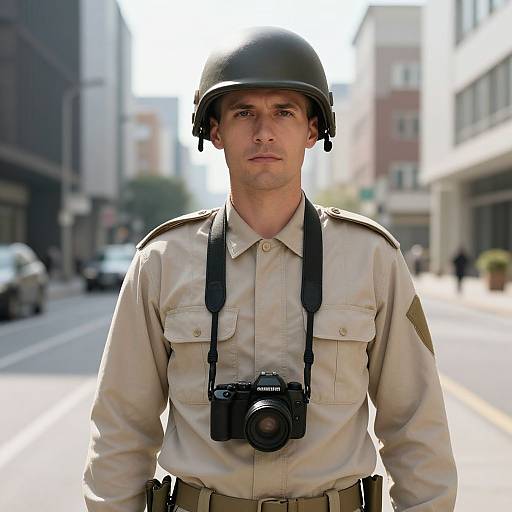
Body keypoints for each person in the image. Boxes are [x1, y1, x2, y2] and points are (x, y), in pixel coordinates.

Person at [82, 27, 457, 512]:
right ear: (214, 130)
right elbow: (120, 428)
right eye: (244, 113)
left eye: (284, 111)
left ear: (312, 130)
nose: (264, 131)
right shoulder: (161, 262)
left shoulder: (371, 259)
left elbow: (416, 426)